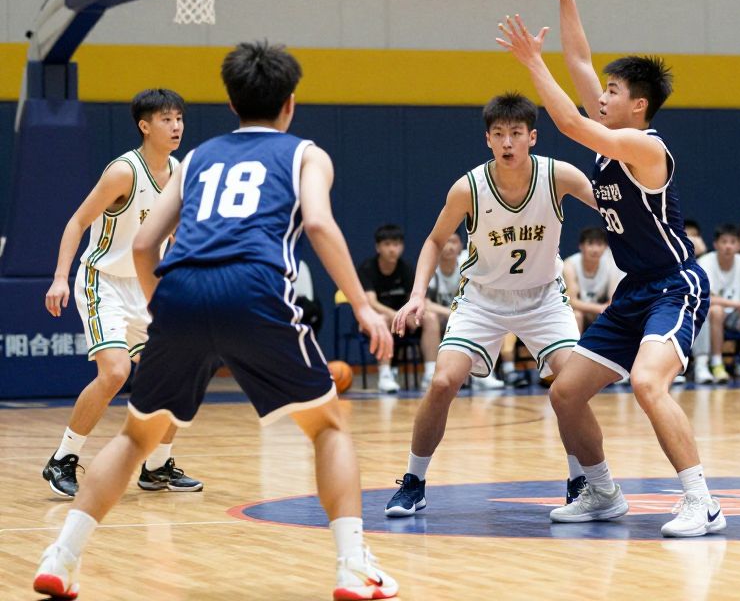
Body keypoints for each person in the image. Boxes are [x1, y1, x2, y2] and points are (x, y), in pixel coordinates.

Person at [32, 41, 399, 600]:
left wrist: (165, 304)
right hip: (253, 288)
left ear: (231, 104)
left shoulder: (199, 157)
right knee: (327, 428)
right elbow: (320, 228)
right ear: (290, 104)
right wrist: (365, 304)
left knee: (135, 435)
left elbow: (147, 244)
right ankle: (352, 565)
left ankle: (61, 558)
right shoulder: (306, 154)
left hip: (179, 289)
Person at [497, 0, 724, 539]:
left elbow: (570, 122)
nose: (603, 92)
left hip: (677, 286)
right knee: (566, 393)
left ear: (638, 105)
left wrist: (529, 63)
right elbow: (579, 58)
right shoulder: (610, 140)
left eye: (614, 89)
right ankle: (602, 493)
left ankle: (702, 500)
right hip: (636, 290)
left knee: (649, 383)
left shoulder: (647, 148)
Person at [384, 92, 599, 517]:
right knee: (443, 382)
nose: (507, 143)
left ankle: (580, 480)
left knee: (570, 387)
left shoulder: (560, 177)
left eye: (515, 133)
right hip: (483, 298)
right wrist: (416, 296)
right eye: (498, 134)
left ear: (532, 137)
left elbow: (616, 208)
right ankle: (414, 481)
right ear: (487, 139)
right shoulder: (469, 187)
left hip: (543, 298)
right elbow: (431, 240)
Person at [41, 88, 201, 498]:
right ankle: (63, 458)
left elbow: (179, 237)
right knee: (115, 373)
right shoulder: (123, 172)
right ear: (144, 126)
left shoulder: (179, 172)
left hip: (147, 287)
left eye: (179, 117)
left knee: (178, 373)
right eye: (166, 119)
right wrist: (60, 277)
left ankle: (157, 465)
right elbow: (77, 222)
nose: (176, 125)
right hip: (104, 282)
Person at [359, 224, 440, 393]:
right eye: (387, 244)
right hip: (376, 318)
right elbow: (372, 303)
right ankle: (385, 375)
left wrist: (410, 315)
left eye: (396, 244)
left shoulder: (406, 269)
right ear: (378, 247)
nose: (392, 249)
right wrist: (399, 316)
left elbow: (416, 299)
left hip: (402, 317)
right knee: (385, 320)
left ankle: (430, 374)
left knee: (431, 318)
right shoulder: (367, 269)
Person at [692, 224, 740, 384]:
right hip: (713, 315)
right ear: (715, 244)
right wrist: (739, 304)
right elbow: (707, 298)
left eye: (733, 242)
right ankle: (717, 364)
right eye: (724, 242)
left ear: (739, 245)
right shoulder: (705, 261)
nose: (728, 246)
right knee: (716, 311)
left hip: (738, 316)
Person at [426, 232, 505, 389]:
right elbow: (425, 303)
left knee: (490, 317)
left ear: (461, 246)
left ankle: (482, 374)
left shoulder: (468, 262)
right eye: (445, 242)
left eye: (454, 242)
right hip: (442, 317)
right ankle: (430, 372)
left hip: (467, 316)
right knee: (429, 318)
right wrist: (451, 312)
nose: (449, 247)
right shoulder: (431, 266)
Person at [563, 227, 623, 333]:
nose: (595, 249)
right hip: (577, 310)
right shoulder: (569, 265)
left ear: (605, 247)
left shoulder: (611, 264)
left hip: (600, 310)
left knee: (615, 316)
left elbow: (613, 298)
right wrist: (599, 308)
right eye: (590, 244)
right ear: (581, 246)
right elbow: (571, 301)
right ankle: (573, 349)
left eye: (599, 244)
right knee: (577, 315)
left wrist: (603, 309)